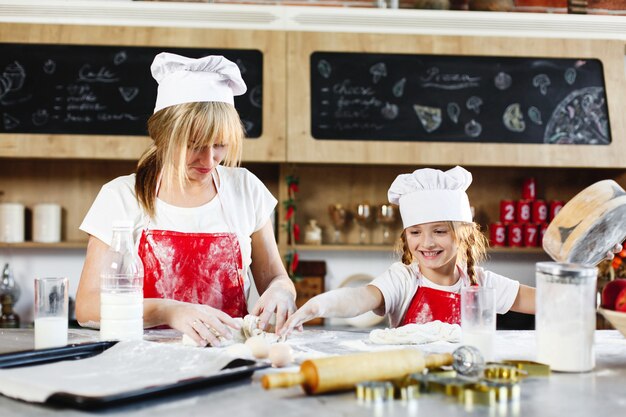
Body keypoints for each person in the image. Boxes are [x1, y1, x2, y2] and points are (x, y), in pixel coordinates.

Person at [76, 53, 296, 347]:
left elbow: (275, 280)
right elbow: (87, 306)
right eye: (194, 146)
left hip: (226, 360)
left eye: (220, 144)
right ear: (163, 137)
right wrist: (168, 310)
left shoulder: (246, 189)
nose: (209, 159)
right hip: (141, 363)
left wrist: (282, 291)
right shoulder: (121, 197)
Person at [280, 166, 534, 336]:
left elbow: (545, 302)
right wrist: (317, 306)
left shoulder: (481, 283)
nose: (427, 242)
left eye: (440, 231)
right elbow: (359, 298)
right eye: (415, 232)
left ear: (464, 233)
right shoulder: (402, 279)